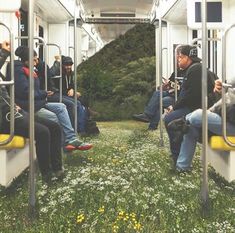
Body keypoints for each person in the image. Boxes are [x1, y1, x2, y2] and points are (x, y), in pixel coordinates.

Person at [0, 41, 63, 182]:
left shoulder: (21, 70)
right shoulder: (17, 69)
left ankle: (57, 168)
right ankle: (47, 174)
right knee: (42, 131)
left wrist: (12, 103)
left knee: (54, 126)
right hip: (4, 117)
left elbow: (6, 94)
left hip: (12, 110)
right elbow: (24, 91)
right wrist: (4, 52)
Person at [11, 45, 92, 151]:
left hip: (38, 102)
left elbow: (46, 73)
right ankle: (63, 145)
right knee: (54, 116)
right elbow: (25, 92)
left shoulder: (29, 68)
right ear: (27, 60)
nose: (36, 63)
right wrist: (43, 93)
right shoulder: (19, 71)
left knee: (61, 107)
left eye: (37, 60)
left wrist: (39, 62)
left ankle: (71, 138)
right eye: (34, 60)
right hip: (29, 106)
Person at [164, 44, 217, 165]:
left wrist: (174, 107)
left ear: (188, 58)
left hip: (198, 107)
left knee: (169, 119)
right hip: (195, 105)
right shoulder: (193, 68)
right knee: (169, 116)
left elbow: (191, 96)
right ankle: (178, 157)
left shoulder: (195, 69)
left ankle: (176, 156)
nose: (178, 60)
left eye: (180, 57)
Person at [169, 79, 235, 172]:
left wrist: (228, 92)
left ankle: (184, 120)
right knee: (190, 126)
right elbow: (225, 99)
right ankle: (181, 168)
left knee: (197, 116)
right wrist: (220, 90)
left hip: (231, 125)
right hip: (227, 121)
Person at [48, 56, 88, 134]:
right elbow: (51, 73)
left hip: (65, 94)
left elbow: (71, 85)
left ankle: (82, 128)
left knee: (82, 102)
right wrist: (56, 62)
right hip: (57, 94)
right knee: (73, 104)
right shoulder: (58, 71)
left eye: (70, 65)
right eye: (66, 65)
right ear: (62, 65)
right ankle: (74, 130)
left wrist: (73, 90)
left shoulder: (70, 73)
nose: (68, 67)